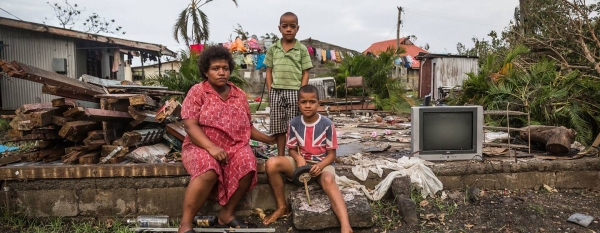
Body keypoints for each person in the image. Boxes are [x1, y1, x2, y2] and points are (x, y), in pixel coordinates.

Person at [178, 46, 274, 233]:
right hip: (201, 145)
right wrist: (212, 148)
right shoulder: (198, 92)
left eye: (225, 68)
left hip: (234, 145)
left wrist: (268, 139)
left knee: (247, 163)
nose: (221, 72)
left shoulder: (239, 94)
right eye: (215, 68)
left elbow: (248, 128)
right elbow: (190, 126)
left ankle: (226, 214)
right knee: (208, 170)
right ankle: (186, 224)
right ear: (206, 71)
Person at [262, 85, 353, 233]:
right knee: (271, 163)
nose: (308, 105)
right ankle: (282, 207)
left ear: (319, 103)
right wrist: (298, 158)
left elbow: (332, 155)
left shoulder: (328, 125)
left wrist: (320, 166)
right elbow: (291, 149)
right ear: (298, 104)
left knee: (329, 180)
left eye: (312, 102)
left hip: (322, 163)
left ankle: (345, 224)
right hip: (301, 163)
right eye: (304, 102)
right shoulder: (294, 123)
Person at [265, 11, 313, 157]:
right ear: (279, 28)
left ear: (297, 28)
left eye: (292, 26)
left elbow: (306, 72)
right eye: (285, 26)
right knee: (278, 127)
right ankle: (280, 157)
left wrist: (301, 92)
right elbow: (268, 71)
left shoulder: (302, 49)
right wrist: (270, 90)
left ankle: (295, 156)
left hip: (294, 91)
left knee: (294, 126)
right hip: (276, 91)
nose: (288, 29)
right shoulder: (273, 48)